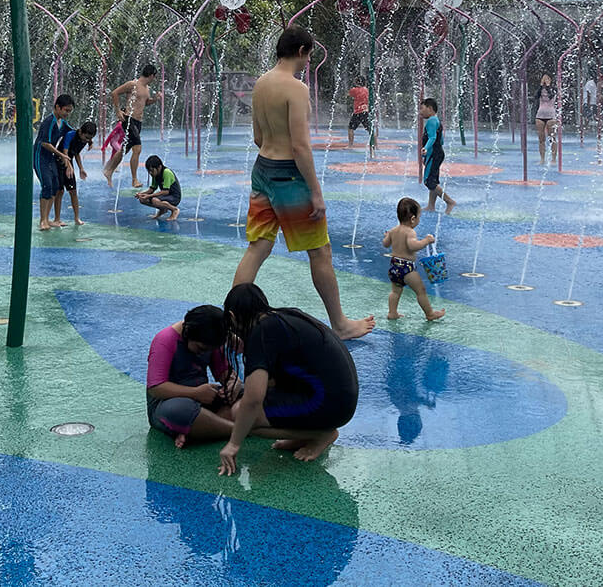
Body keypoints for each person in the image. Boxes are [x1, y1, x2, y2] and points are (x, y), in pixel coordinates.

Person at [234, 25, 375, 340]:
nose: (309, 61)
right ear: (301, 52)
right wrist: (315, 192)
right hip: (289, 175)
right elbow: (300, 147)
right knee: (320, 251)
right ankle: (339, 324)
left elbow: (258, 137)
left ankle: (234, 319)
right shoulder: (296, 88)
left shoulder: (260, 83)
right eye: (309, 55)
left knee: (258, 247)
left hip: (263, 170)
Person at [217, 283, 360, 474]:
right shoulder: (283, 318)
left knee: (242, 415)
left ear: (233, 317)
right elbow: (273, 382)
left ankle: (321, 434)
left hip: (329, 405)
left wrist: (234, 444)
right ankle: (304, 434)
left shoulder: (260, 332)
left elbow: (253, 400)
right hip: (342, 399)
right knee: (251, 409)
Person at [147, 305, 237, 448]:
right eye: (201, 349)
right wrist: (195, 393)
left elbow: (224, 373)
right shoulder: (165, 340)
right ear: (188, 333)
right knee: (179, 411)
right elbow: (156, 387)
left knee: (244, 393)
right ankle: (239, 430)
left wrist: (233, 383)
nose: (203, 353)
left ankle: (199, 430)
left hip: (204, 399)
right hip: (167, 404)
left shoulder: (211, 338)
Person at [383, 198, 445, 322]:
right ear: (412, 219)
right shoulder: (410, 232)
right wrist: (426, 241)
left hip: (394, 266)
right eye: (419, 217)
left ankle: (392, 312)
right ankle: (430, 313)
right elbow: (413, 246)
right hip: (407, 269)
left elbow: (385, 244)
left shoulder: (393, 230)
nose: (419, 220)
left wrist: (387, 236)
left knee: (395, 292)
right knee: (420, 291)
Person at [103, 65, 161, 188]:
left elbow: (145, 103)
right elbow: (115, 93)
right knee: (137, 148)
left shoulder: (147, 88)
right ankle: (134, 180)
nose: (154, 79)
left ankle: (108, 171)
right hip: (129, 119)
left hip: (138, 122)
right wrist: (118, 111)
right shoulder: (132, 84)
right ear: (151, 75)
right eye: (154, 76)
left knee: (125, 149)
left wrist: (155, 99)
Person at [33, 94, 75, 231]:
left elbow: (74, 132)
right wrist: (62, 155)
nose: (67, 114)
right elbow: (45, 143)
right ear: (57, 107)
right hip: (40, 156)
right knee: (47, 184)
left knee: (56, 185)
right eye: (66, 110)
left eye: (70, 111)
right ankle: (43, 220)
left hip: (50, 157)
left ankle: (47, 218)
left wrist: (88, 138)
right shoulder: (49, 122)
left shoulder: (62, 122)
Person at [47, 119, 97, 226]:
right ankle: (57, 219)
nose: (87, 140)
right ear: (80, 132)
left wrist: (81, 168)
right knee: (59, 192)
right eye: (86, 137)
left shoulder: (84, 140)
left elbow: (76, 153)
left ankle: (76, 218)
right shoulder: (71, 135)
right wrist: (68, 165)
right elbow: (65, 152)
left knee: (73, 191)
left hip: (68, 164)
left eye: (90, 139)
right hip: (58, 162)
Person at [417, 97, 456, 214]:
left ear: (430, 108)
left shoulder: (431, 121)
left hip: (433, 154)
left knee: (429, 181)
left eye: (422, 108)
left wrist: (426, 149)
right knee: (433, 180)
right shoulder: (436, 120)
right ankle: (431, 206)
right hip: (437, 153)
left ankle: (449, 201)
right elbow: (441, 140)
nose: (420, 111)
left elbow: (432, 137)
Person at [137, 154, 183, 220]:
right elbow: (152, 189)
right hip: (166, 197)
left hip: (174, 197)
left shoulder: (166, 172)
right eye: (149, 171)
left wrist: (149, 196)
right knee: (142, 199)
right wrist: (141, 194)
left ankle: (174, 210)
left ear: (159, 167)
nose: (150, 173)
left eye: (152, 170)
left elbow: (166, 192)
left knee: (154, 200)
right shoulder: (155, 175)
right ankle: (163, 210)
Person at [533, 74, 557, 166]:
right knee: (541, 139)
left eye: (547, 79)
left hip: (551, 115)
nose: (545, 80)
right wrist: (540, 86)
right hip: (540, 115)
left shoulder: (553, 89)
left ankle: (554, 159)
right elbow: (536, 96)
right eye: (543, 79)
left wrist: (548, 86)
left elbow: (551, 96)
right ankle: (542, 159)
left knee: (552, 138)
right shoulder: (540, 90)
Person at [346, 85, 372, 149]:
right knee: (371, 130)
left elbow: (348, 95)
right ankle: (375, 145)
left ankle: (350, 145)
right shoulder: (367, 90)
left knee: (350, 129)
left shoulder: (354, 90)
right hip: (365, 111)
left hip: (357, 112)